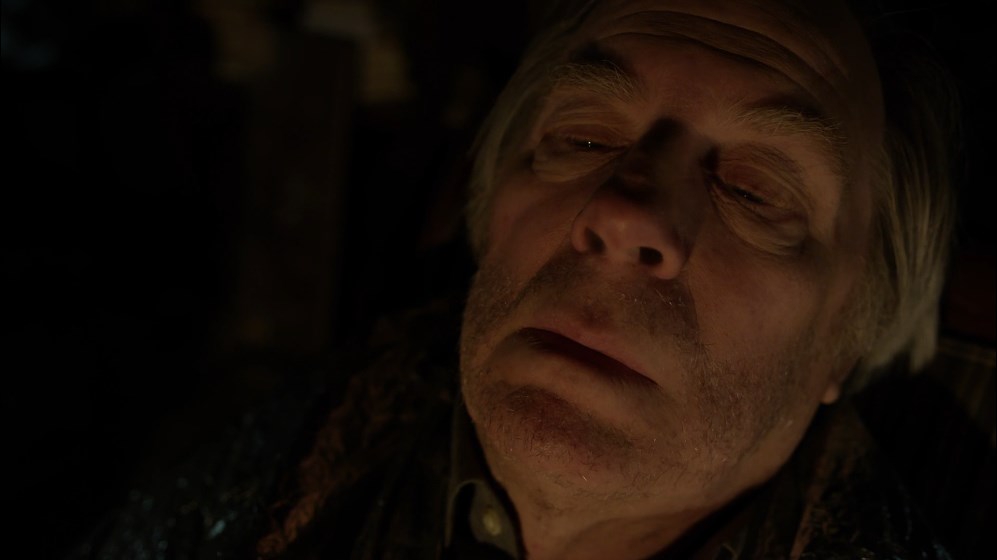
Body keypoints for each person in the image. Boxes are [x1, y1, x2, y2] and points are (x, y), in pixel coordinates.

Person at [71, 0, 960, 558]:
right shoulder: (242, 453)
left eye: (755, 189)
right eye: (583, 138)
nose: (624, 214)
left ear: (847, 338)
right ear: (488, 211)